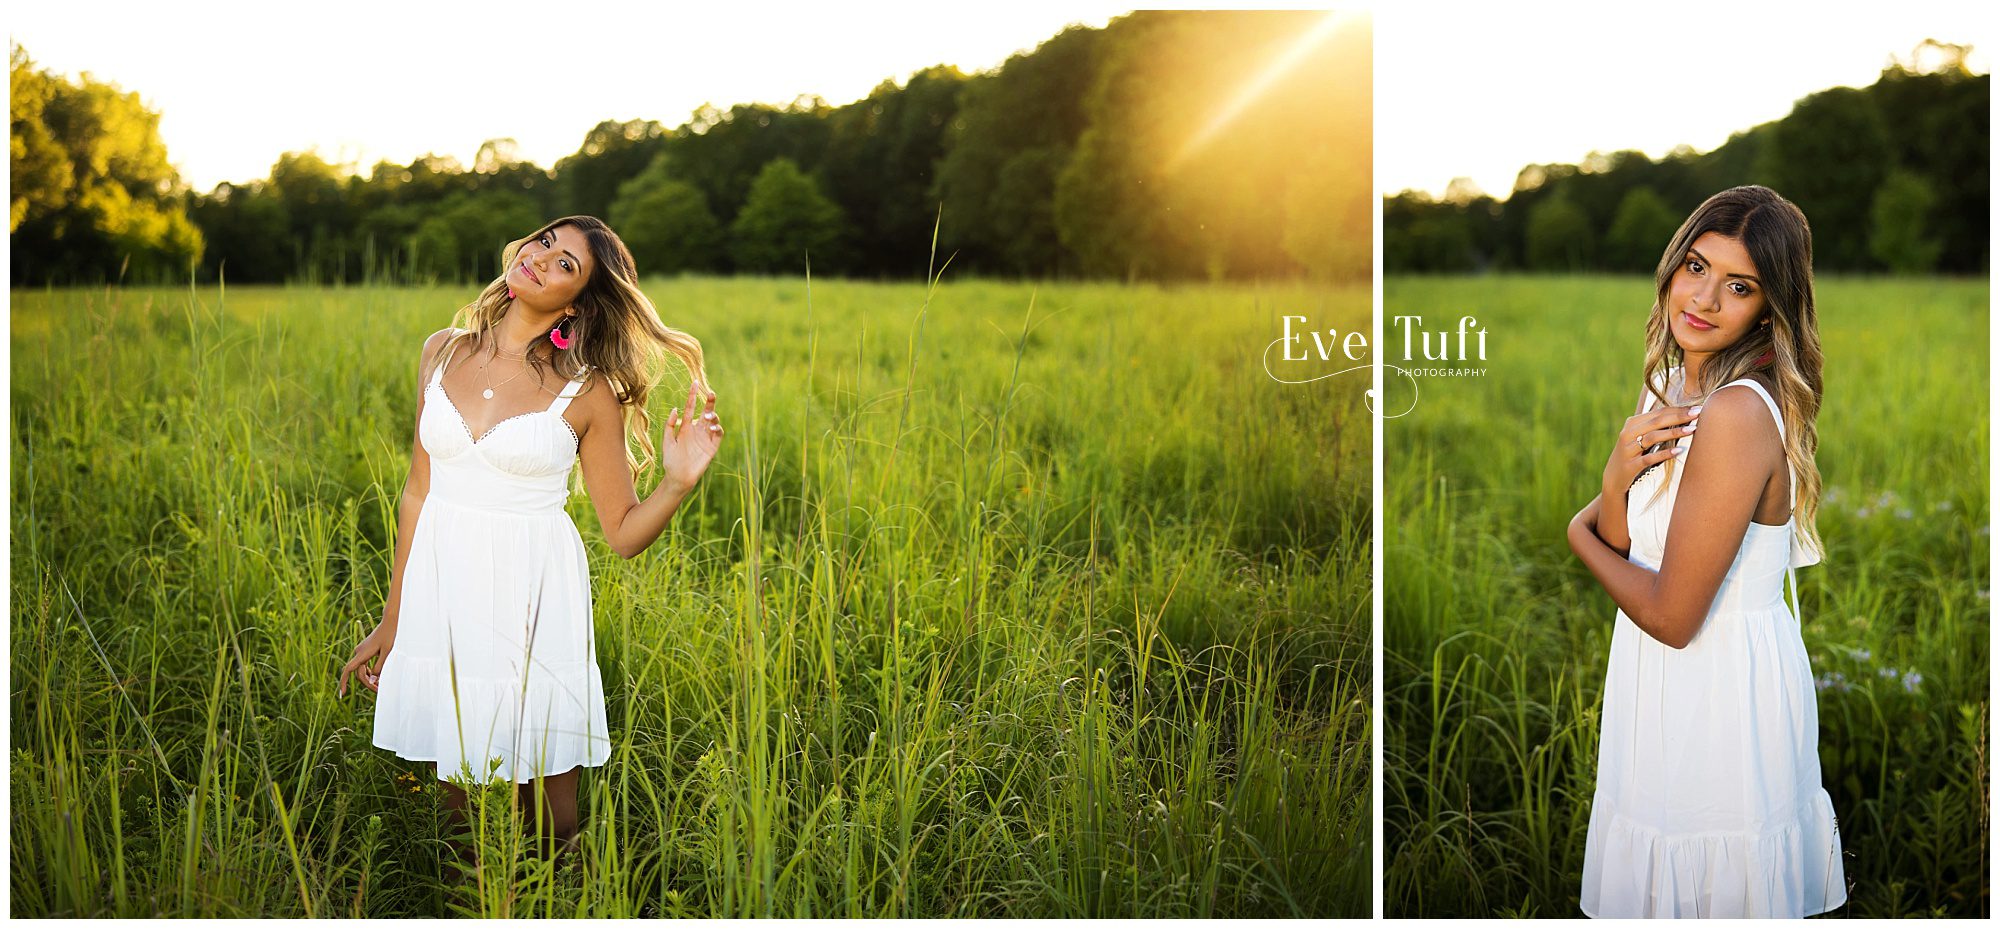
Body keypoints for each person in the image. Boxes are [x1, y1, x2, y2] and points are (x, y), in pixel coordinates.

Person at [336, 215, 723, 869]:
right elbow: (417, 492)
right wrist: (394, 618)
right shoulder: (442, 350)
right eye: (546, 241)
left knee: (549, 811)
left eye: (566, 263)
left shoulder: (587, 392)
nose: (543, 258)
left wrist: (678, 482)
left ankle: (562, 897)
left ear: (575, 304)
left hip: (532, 596)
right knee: (458, 796)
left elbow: (623, 533)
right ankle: (477, 901)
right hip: (445, 589)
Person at [1565, 186, 1845, 917]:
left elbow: (1672, 615)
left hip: (1720, 694)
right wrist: (1614, 482)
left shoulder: (1737, 412)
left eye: (1739, 286)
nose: (1705, 298)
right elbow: (1627, 544)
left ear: (1770, 307)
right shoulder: (1669, 385)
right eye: (1696, 266)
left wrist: (1573, 532)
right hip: (1656, 679)